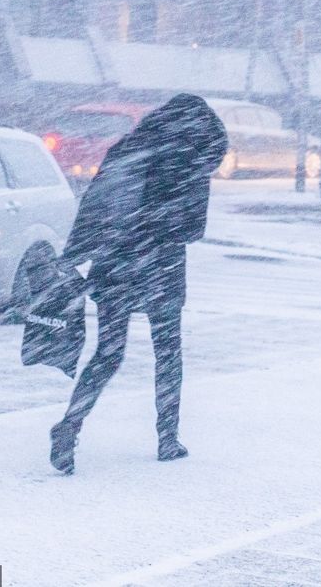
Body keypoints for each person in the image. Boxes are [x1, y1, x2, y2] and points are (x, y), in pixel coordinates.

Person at [50, 94, 228, 475]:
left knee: (108, 355)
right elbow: (192, 230)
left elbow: (95, 206)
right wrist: (162, 226)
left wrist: (76, 254)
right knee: (167, 355)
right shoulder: (189, 161)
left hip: (115, 265)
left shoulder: (127, 149)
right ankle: (167, 439)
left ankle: (70, 425)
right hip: (160, 267)